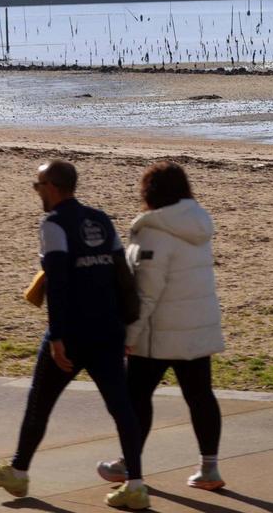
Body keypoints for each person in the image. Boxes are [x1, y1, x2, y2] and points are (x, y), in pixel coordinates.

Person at [0, 160, 149, 510]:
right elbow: (122, 274)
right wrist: (126, 323)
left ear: (53, 186)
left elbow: (58, 281)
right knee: (122, 407)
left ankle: (19, 472)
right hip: (108, 330)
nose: (36, 190)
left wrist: (57, 335)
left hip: (72, 335)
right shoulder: (100, 219)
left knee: (40, 402)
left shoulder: (54, 223)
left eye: (38, 185)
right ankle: (136, 484)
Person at [96, 162, 227, 492]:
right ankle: (209, 467)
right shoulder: (196, 224)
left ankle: (129, 465)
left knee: (135, 397)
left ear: (149, 192)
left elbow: (147, 292)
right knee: (200, 396)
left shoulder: (153, 230)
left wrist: (130, 335)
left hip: (159, 332)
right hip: (197, 324)